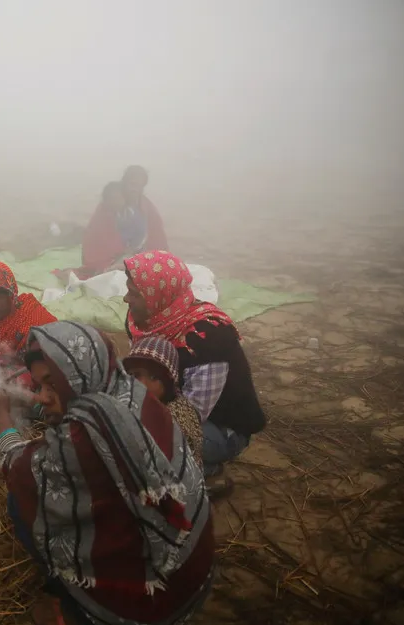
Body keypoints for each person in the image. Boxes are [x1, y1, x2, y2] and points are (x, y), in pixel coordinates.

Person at [0, 321, 213, 625]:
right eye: (39, 385)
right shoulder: (129, 390)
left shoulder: (85, 435)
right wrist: (35, 399)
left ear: (78, 375)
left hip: (154, 602)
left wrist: (1, 419)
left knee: (23, 500)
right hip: (192, 571)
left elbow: (21, 470)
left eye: (52, 383)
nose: (43, 396)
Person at [123, 251, 266, 476]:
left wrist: (138, 422)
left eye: (134, 293)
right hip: (169, 406)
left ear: (157, 295)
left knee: (142, 444)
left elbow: (192, 415)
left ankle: (203, 471)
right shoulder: (145, 322)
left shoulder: (208, 337)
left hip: (218, 427)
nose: (126, 299)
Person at [123, 336, 204, 471]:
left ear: (167, 381)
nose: (141, 383)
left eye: (153, 377)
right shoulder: (157, 403)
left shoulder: (169, 418)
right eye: (133, 375)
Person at [75, 166, 168, 280]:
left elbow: (157, 238)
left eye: (140, 186)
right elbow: (95, 237)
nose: (135, 189)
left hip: (138, 256)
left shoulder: (146, 207)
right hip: (112, 259)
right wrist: (121, 255)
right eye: (133, 184)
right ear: (124, 182)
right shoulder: (109, 203)